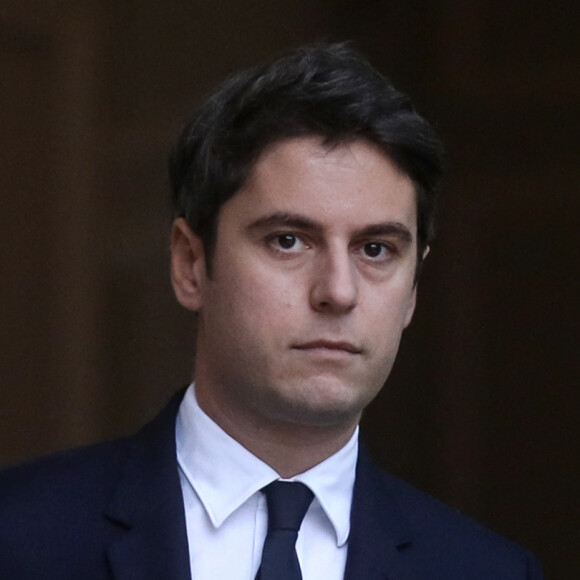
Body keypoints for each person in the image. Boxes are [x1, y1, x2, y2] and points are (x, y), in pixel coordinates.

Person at [0, 43, 543, 580]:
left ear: (414, 287)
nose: (338, 291)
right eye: (289, 240)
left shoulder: (487, 570)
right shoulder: (20, 537)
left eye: (376, 249)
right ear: (191, 263)